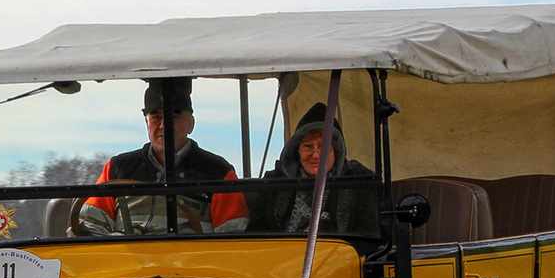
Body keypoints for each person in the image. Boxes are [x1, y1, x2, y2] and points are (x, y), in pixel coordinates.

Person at [76, 79, 248, 235]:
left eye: (173, 116)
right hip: (127, 264)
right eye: (156, 117)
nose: (163, 125)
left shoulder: (218, 172)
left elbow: (233, 236)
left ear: (190, 124)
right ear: (147, 123)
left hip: (191, 265)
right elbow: (90, 225)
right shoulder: (117, 168)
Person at [250, 102, 378, 234]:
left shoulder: (360, 181)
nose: (316, 155)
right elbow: (257, 231)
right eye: (308, 146)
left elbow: (369, 235)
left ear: (336, 152)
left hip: (338, 253)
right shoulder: (275, 182)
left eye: (323, 146)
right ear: (297, 150)